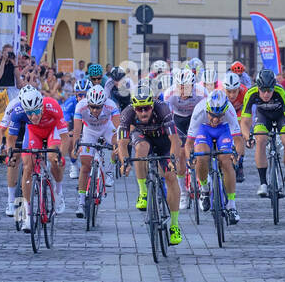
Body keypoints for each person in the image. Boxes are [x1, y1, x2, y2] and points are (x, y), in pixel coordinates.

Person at [116, 81, 184, 245]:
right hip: (143, 137)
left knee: (170, 176)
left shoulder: (163, 109)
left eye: (147, 107)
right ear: (134, 108)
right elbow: (122, 144)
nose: (144, 112)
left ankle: (174, 226)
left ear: (152, 105)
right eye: (140, 109)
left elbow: (175, 141)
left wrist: (173, 160)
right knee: (140, 150)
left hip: (164, 141)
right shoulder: (127, 114)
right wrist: (125, 162)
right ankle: (143, 192)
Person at [4, 86, 67, 228]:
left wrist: (61, 154)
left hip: (52, 131)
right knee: (27, 167)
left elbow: (64, 137)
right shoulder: (18, 111)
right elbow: (11, 139)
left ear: (41, 107)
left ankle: (59, 193)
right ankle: (28, 215)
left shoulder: (52, 106)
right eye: (29, 114)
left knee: (53, 158)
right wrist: (11, 154)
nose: (34, 117)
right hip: (34, 133)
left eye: (37, 112)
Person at [240, 68, 285, 201]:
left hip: (280, 117)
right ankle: (263, 183)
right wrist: (248, 137)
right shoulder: (251, 93)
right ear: (258, 87)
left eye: (269, 90)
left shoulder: (280, 91)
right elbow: (244, 122)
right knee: (260, 140)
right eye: (263, 90)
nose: (266, 94)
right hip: (263, 116)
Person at [188, 88, 243, 223]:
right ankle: (205, 189)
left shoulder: (229, 110)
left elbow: (238, 139)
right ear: (207, 111)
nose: (215, 119)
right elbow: (189, 142)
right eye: (212, 115)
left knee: (226, 161)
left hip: (223, 130)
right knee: (201, 157)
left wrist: (237, 154)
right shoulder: (199, 110)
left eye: (219, 116)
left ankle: (231, 205)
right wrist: (191, 158)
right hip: (204, 129)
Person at [161, 67, 206, 211]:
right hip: (178, 120)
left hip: (197, 118)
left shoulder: (201, 93)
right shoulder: (170, 94)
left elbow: (208, 113)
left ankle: (202, 183)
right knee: (179, 154)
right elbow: (165, 116)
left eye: (186, 87)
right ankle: (183, 193)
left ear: (192, 86)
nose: (183, 91)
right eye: (180, 87)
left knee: (200, 150)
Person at [72, 84, 120, 217]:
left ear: (103, 104)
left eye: (98, 107)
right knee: (85, 166)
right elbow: (77, 130)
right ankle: (81, 202)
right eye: (92, 106)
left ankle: (109, 171)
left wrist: (119, 144)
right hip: (89, 131)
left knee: (118, 143)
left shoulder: (111, 105)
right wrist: (76, 145)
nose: (94, 110)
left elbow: (119, 127)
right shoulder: (81, 106)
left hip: (106, 128)